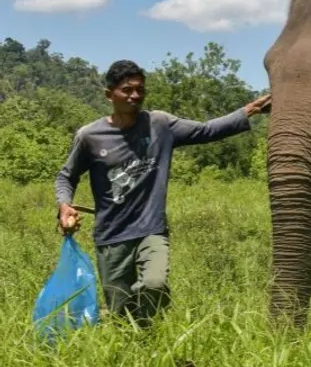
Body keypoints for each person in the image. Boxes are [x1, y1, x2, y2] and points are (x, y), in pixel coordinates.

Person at [54, 59, 271, 327]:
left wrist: (252, 109)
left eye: (140, 89)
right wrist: (64, 205)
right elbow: (67, 176)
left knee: (154, 284)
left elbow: (206, 130)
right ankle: (137, 338)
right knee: (121, 313)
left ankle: (150, 329)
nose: (135, 95)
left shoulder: (160, 124)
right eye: (127, 90)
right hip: (111, 234)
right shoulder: (90, 136)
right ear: (109, 94)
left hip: (151, 230)